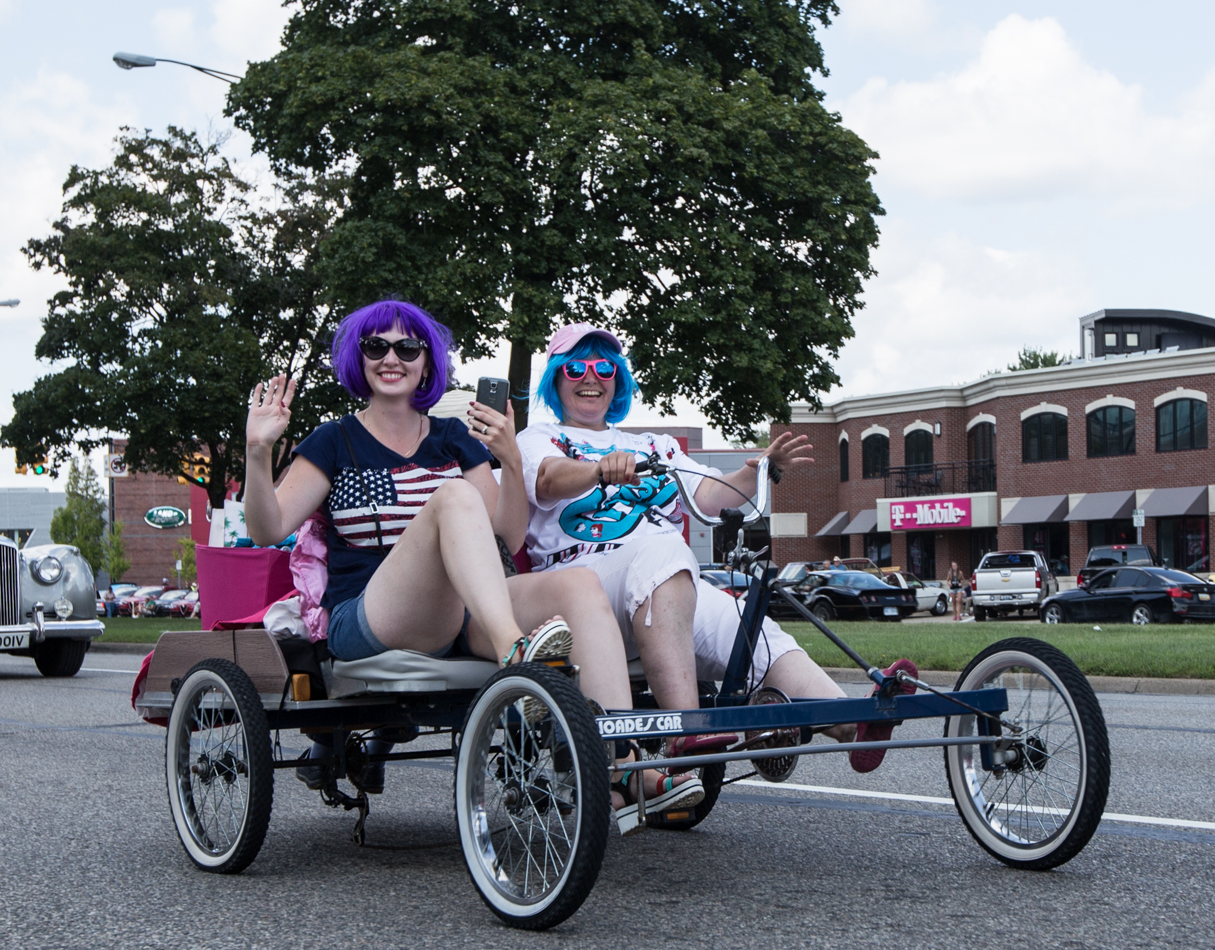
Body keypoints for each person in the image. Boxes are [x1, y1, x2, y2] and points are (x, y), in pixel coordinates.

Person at [241, 300, 648, 798]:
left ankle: (625, 763)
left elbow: (507, 539)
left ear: (427, 362)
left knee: (580, 585)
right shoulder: (333, 440)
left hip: (461, 615)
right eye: (376, 346)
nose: (392, 358)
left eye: (408, 348)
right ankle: (515, 655)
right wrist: (258, 452)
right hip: (370, 615)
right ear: (358, 358)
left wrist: (510, 460)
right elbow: (267, 528)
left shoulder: (453, 437)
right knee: (453, 497)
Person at [514, 324, 917, 793]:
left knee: (748, 629)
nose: (591, 377)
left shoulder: (653, 445)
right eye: (575, 368)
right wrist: (597, 469)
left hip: (665, 586)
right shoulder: (539, 437)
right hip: (583, 587)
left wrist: (759, 470)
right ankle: (688, 734)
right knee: (665, 551)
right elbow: (547, 479)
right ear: (556, 378)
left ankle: (853, 723)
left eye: (604, 367)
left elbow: (708, 496)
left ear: (617, 378)